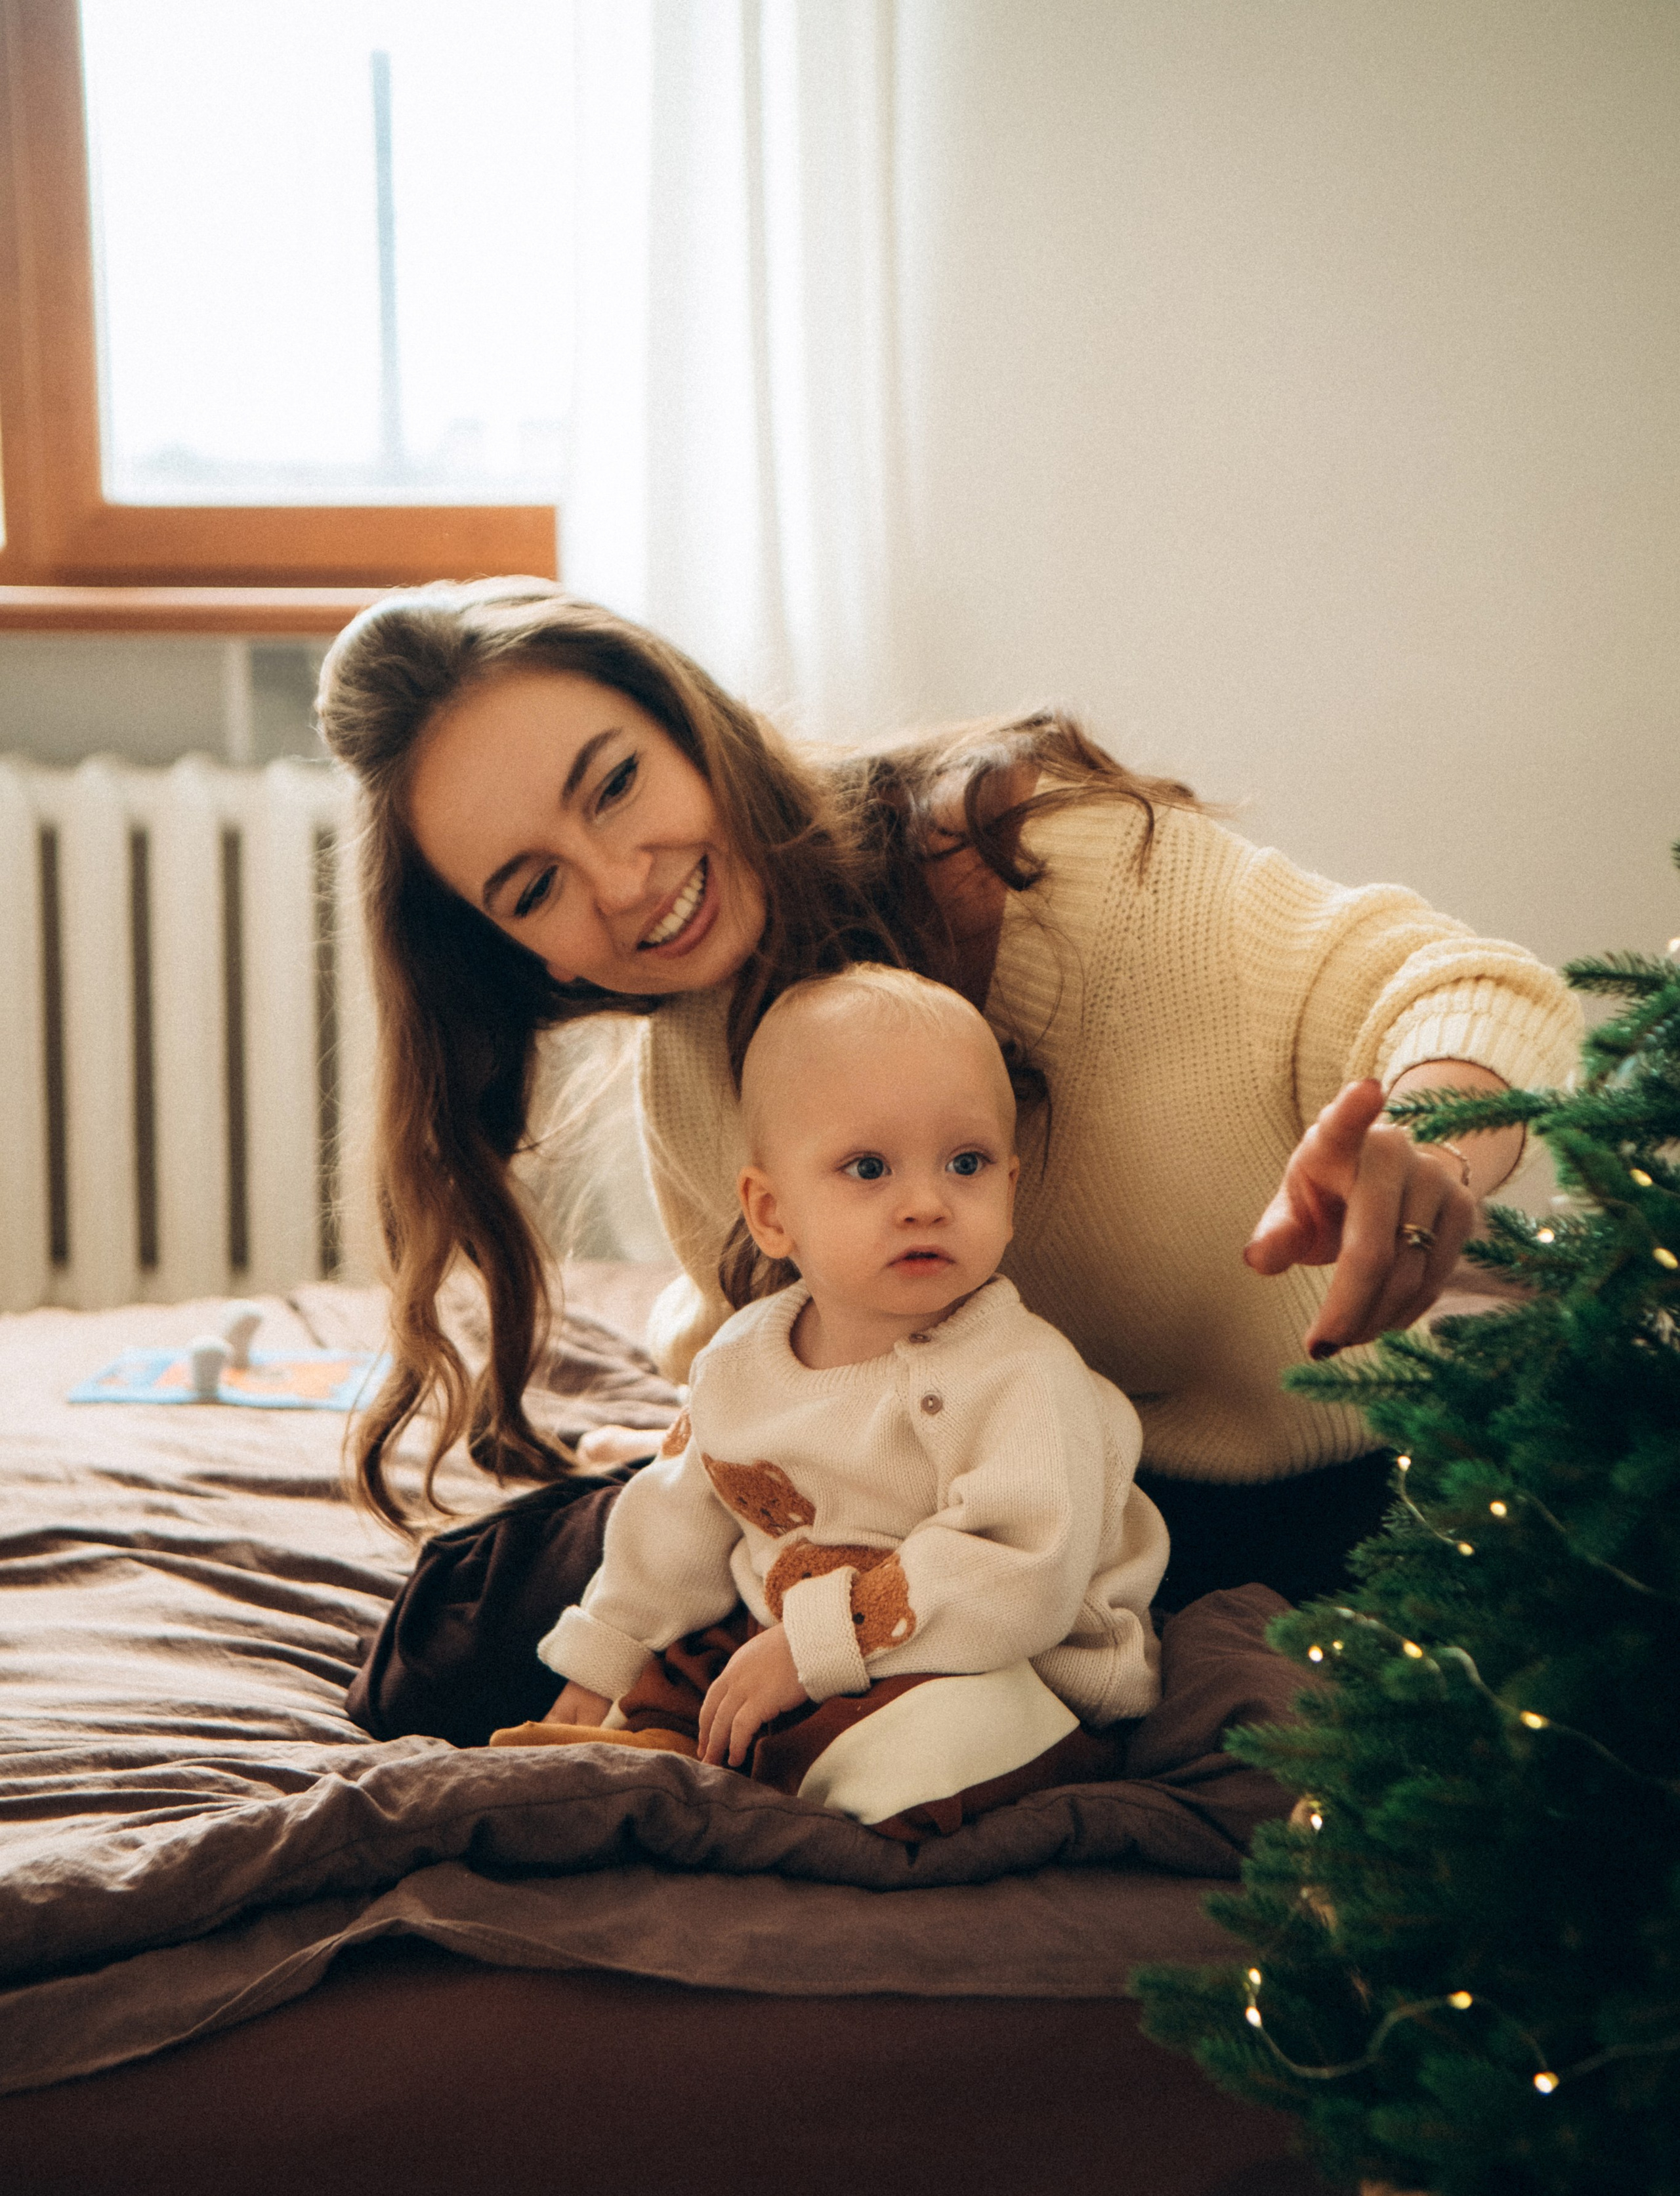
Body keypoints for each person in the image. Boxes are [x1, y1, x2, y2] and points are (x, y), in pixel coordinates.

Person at [318, 578, 1578, 1744]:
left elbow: (1461, 983)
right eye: (536, 889)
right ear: (521, 954)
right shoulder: (693, 1062)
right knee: (451, 1647)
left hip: (1266, 1503)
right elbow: (752, 1352)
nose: (623, 883)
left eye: (614, 787)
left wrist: (1432, 1137)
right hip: (910, 1513)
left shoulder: (1061, 866)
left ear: (690, 722)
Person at [513, 965, 1167, 1810]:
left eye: (965, 1163)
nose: (926, 1202)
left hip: (1007, 1659)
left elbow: (1022, 1578)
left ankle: (787, 1786)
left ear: (1008, 1188)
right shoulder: (741, 1361)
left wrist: (808, 1650)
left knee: (937, 1730)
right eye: (868, 1168)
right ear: (772, 1212)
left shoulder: (1024, 1376)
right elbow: (671, 1524)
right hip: (794, 1637)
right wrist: (606, 1657)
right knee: (685, 1667)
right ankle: (649, 1758)